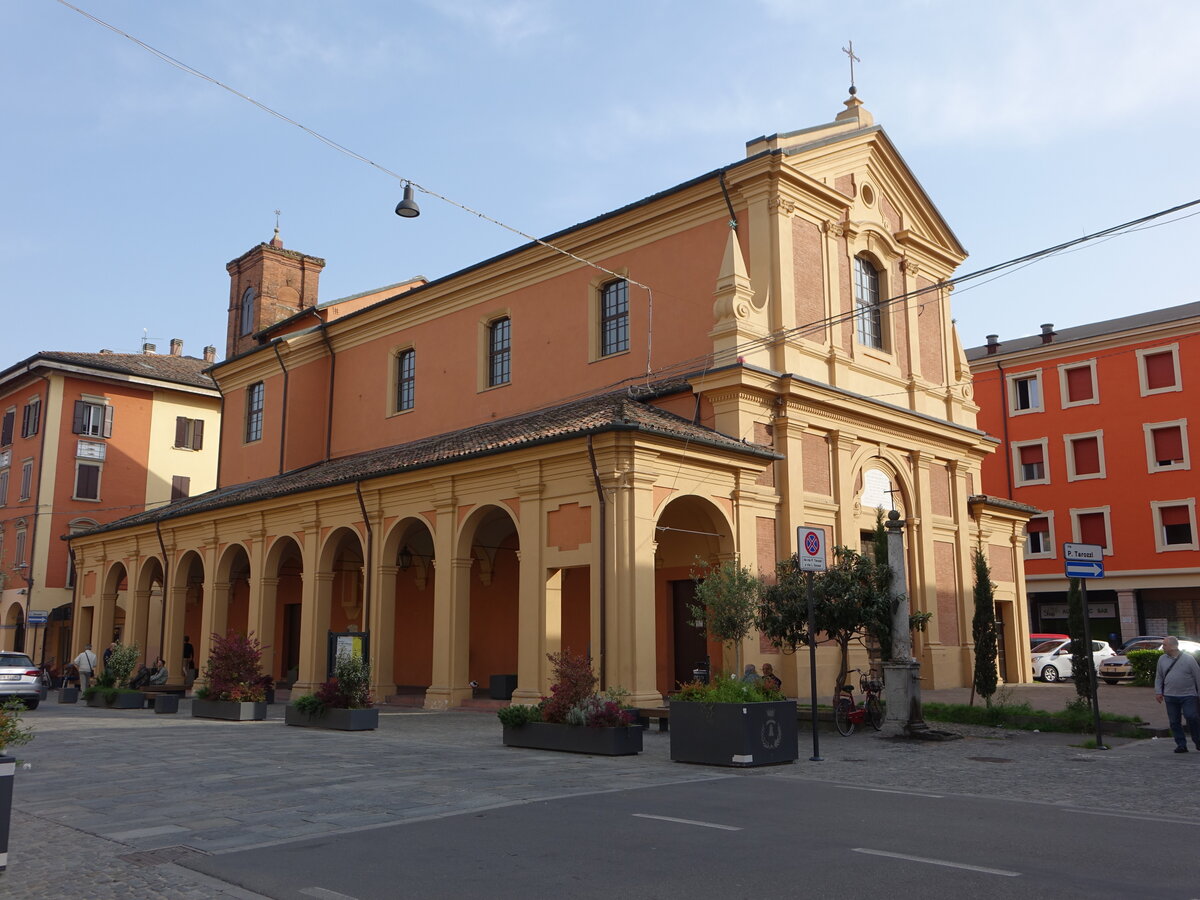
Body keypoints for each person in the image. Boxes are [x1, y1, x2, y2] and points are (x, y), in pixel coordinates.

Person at [1155, 636, 1200, 753]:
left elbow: (1198, 677)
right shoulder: (1162, 659)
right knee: (1174, 721)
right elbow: (1159, 676)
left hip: (1189, 695)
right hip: (1170, 696)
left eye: (1165, 645)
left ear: (1173, 646)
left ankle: (1198, 741)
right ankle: (1181, 744)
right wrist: (1158, 692)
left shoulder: (1189, 659)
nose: (1163, 647)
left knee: (1191, 716)